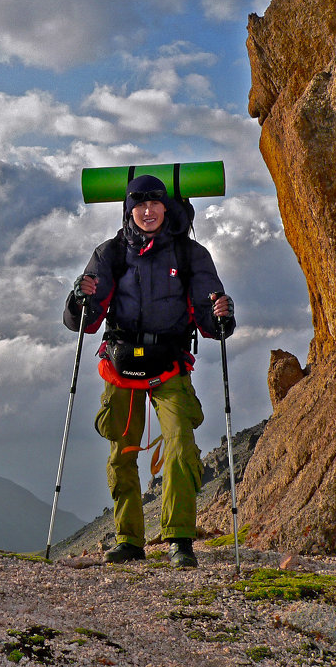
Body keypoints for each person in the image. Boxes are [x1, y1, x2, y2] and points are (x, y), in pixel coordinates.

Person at [64, 174, 234, 567]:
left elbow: (211, 318)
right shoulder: (110, 253)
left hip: (169, 363)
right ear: (129, 210)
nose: (147, 210)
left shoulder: (190, 255)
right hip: (121, 363)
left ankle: (179, 539)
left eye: (155, 202)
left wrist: (223, 316)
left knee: (179, 446)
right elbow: (83, 322)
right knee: (122, 454)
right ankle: (129, 540)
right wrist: (79, 298)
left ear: (166, 207)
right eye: (139, 204)